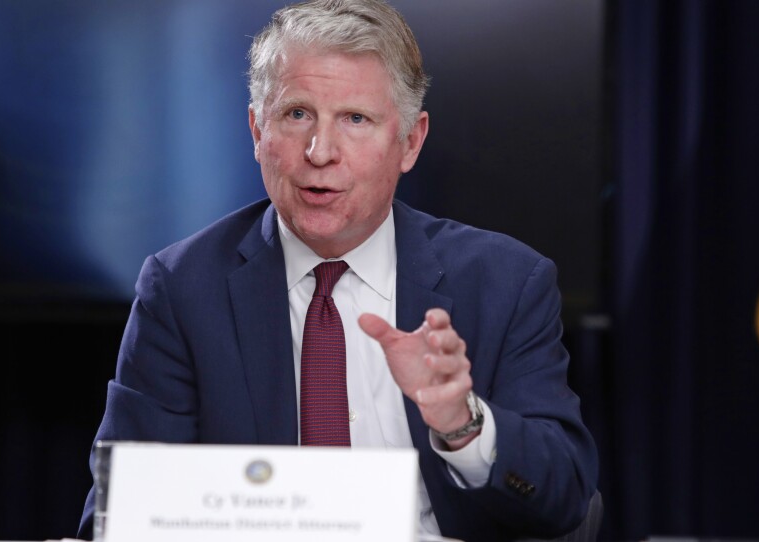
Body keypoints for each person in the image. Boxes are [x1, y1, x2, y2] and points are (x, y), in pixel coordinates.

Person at [77, 0, 599, 540]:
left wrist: (461, 422)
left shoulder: (505, 282)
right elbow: (120, 517)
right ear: (257, 131)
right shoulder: (183, 287)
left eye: (355, 119)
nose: (320, 151)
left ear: (410, 142)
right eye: (296, 114)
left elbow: (562, 498)